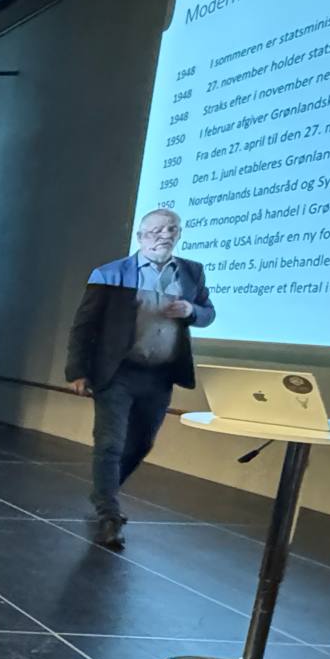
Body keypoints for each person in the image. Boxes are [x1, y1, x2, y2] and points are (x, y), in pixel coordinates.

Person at [67, 207, 216, 550]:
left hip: (160, 374)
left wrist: (192, 311)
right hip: (117, 371)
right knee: (109, 443)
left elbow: (208, 312)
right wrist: (77, 370)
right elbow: (84, 324)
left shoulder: (191, 272)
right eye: (157, 230)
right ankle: (109, 514)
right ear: (140, 236)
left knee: (141, 443)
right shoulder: (110, 273)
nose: (165, 235)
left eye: (172, 230)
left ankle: (104, 491)